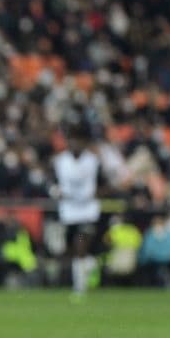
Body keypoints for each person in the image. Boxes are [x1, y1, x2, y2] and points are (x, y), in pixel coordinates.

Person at [53, 121, 101, 297]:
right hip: (68, 210)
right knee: (71, 250)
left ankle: (79, 287)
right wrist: (56, 191)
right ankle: (91, 264)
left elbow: (103, 184)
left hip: (87, 210)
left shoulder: (93, 160)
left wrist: (97, 192)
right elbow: (54, 184)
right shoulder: (60, 161)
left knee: (80, 245)